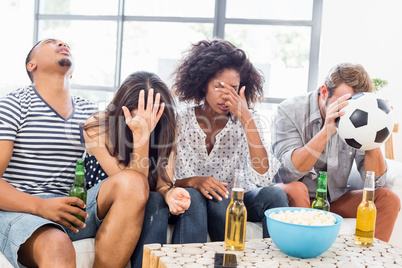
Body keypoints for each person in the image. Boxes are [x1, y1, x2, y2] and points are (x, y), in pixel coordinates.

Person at [1, 38, 139, 268]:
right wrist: (41, 206)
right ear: (31, 65)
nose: (61, 43)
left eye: (64, 43)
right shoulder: (13, 105)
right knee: (57, 243)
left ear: (72, 74)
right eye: (50, 42)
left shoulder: (90, 112)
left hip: (72, 207)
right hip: (24, 209)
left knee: (133, 182)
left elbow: (123, 175)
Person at [171, 38, 289, 242]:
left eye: (233, 88)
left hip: (235, 198)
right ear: (203, 85)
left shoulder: (249, 121)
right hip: (192, 199)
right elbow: (163, 179)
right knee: (207, 198)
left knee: (275, 195)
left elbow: (262, 178)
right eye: (219, 86)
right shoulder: (179, 120)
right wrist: (194, 181)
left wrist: (246, 120)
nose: (226, 96)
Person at [271, 63, 400, 242]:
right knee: (298, 189)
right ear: (324, 92)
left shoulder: (363, 117)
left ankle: (368, 262)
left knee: (388, 199)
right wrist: (326, 131)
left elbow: (376, 182)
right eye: (343, 104)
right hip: (296, 194)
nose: (348, 112)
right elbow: (288, 172)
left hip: (335, 198)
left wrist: (375, 130)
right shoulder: (289, 110)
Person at [83, 71, 191, 267]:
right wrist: (141, 136)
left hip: (140, 204)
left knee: (159, 199)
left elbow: (163, 183)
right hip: (96, 208)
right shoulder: (97, 126)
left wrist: (170, 194)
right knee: (137, 187)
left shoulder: (167, 129)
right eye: (134, 117)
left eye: (151, 118)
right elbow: (132, 188)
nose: (142, 122)